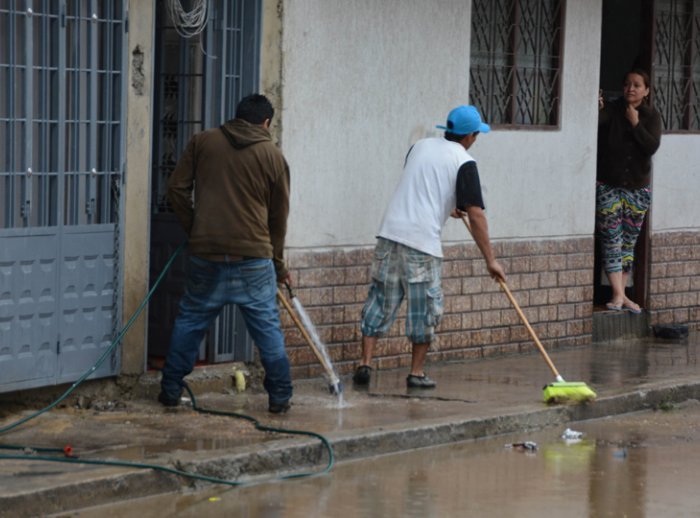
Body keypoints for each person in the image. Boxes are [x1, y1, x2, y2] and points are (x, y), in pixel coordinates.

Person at [353, 105, 506, 389]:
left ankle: (365, 363)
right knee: (424, 309)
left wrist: (446, 206)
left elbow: (421, 184)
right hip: (421, 243)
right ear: (471, 135)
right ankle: (417, 372)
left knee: (380, 300)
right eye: (476, 134)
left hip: (389, 234)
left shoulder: (419, 146)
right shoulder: (465, 162)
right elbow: (476, 214)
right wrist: (490, 260)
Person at [159, 94, 294, 414]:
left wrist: (196, 229)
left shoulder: (202, 142)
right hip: (253, 258)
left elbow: (176, 189)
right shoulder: (273, 156)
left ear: (237, 117)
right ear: (266, 123)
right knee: (267, 329)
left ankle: (169, 389)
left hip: (206, 255)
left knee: (190, 321)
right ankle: (280, 397)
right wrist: (278, 264)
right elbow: (279, 218)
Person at [596, 69, 661, 314]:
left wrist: (635, 124)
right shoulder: (613, 110)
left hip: (638, 189)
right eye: (626, 84)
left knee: (628, 243)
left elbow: (651, 146)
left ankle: (622, 296)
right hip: (609, 186)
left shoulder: (651, 116)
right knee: (611, 239)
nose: (630, 89)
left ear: (646, 90)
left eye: (636, 85)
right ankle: (618, 295)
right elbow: (598, 121)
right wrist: (597, 108)